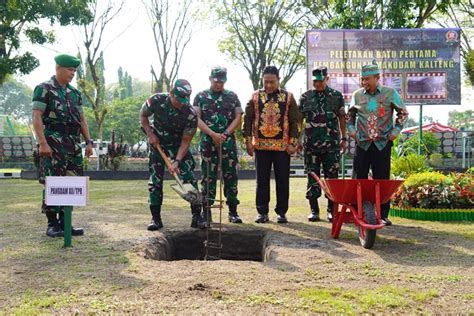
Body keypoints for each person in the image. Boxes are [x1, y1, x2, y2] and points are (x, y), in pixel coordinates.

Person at [32, 54, 93, 238]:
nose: (72, 73)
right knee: (53, 182)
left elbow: (82, 119)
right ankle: (52, 224)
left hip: (73, 143)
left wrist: (89, 142)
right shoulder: (44, 89)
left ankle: (66, 223)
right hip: (52, 141)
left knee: (72, 181)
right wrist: (42, 143)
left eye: (74, 70)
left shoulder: (74, 93)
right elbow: (36, 116)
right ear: (58, 68)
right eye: (69, 69)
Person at [347, 63, 408, 226]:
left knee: (382, 179)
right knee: (358, 177)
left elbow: (403, 113)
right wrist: (352, 130)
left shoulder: (390, 93)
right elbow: (350, 116)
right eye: (363, 79)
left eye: (367, 79)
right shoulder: (357, 95)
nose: (364, 82)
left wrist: (396, 131)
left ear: (377, 78)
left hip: (382, 144)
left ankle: (383, 214)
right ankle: (357, 212)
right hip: (362, 143)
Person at [140, 79, 204, 230]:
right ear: (171, 93)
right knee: (155, 181)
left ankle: (197, 217)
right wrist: (150, 134)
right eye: (178, 99)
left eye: (184, 99)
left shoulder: (190, 114)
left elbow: (186, 141)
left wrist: (176, 162)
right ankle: (156, 218)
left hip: (178, 146)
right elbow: (143, 116)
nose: (181, 103)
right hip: (158, 144)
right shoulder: (156, 101)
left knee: (189, 178)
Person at [242, 65, 299, 224]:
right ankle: (262, 212)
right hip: (260, 147)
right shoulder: (255, 97)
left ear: (278, 80)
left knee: (282, 180)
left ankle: (281, 212)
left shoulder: (288, 97)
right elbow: (247, 119)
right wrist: (248, 142)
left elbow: (296, 121)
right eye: (266, 82)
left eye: (272, 82)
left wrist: (293, 143)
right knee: (262, 181)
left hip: (282, 148)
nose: (268, 85)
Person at [193, 66, 243, 224]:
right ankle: (207, 212)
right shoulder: (200, 96)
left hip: (227, 143)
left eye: (222, 81)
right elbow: (197, 119)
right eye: (216, 81)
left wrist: (226, 134)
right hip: (208, 142)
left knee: (231, 177)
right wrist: (212, 134)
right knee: (208, 178)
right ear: (210, 78)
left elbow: (238, 117)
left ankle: (233, 211)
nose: (218, 84)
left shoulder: (232, 96)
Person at [298, 66, 347, 222]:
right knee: (312, 177)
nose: (317, 84)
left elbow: (341, 119)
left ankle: (331, 211)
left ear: (327, 78)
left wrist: (344, 138)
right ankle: (314, 210)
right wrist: (298, 139)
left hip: (331, 146)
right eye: (315, 81)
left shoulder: (336, 96)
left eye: (320, 81)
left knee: (332, 179)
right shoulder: (305, 97)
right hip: (311, 146)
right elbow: (299, 120)